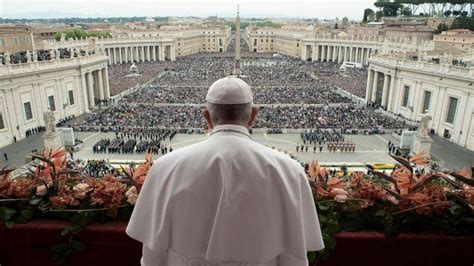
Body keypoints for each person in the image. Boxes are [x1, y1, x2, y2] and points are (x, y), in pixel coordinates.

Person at [127, 77, 324, 266]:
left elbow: (152, 253)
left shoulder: (165, 167)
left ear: (206, 117)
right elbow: (294, 256)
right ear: (253, 115)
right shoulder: (289, 171)